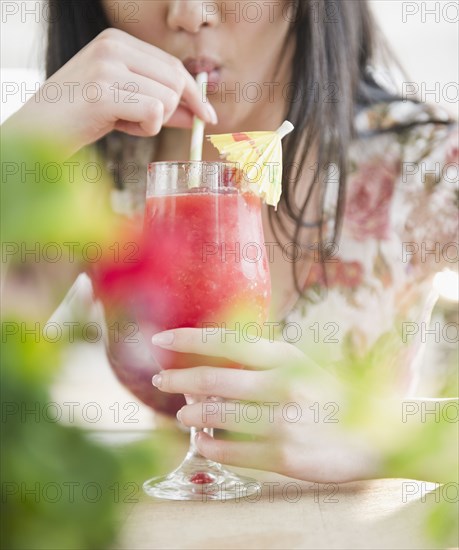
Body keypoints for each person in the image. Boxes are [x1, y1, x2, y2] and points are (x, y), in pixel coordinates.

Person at [3, 0, 457, 483]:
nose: (189, 13)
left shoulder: (424, 163)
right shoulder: (98, 158)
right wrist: (20, 149)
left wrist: (376, 434)